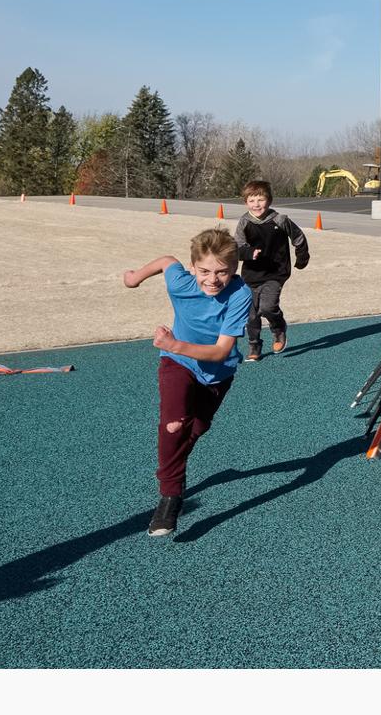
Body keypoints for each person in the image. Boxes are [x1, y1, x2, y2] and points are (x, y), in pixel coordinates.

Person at [122, 228, 253, 537]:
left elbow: (221, 351)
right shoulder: (181, 282)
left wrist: (172, 344)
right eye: (205, 271)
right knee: (173, 426)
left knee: (197, 427)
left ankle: (174, 465)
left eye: (222, 272)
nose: (212, 279)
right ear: (193, 267)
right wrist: (134, 278)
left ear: (234, 270)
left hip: (217, 373)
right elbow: (167, 261)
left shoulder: (240, 294)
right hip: (177, 365)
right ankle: (170, 497)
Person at [232, 179, 310, 361]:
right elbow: (237, 247)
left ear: (269, 200)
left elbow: (298, 237)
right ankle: (254, 346)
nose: (256, 204)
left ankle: (278, 328)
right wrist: (250, 252)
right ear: (246, 203)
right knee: (250, 314)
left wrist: (302, 257)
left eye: (260, 199)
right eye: (251, 201)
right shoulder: (244, 222)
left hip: (275, 273)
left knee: (267, 307)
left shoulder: (280, 220)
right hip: (251, 275)